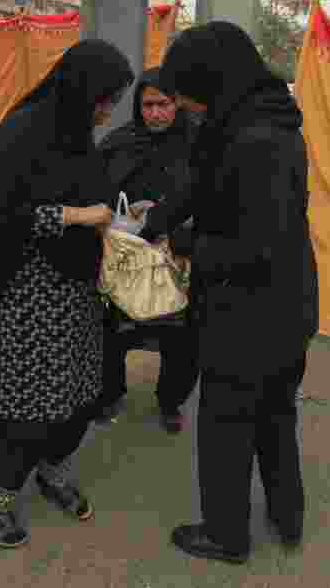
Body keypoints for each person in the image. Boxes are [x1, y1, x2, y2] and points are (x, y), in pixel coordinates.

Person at [137, 22, 319, 563]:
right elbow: (206, 187)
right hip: (288, 302)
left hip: (251, 311)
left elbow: (255, 243)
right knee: (276, 414)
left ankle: (224, 534)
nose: (188, 109)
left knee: (226, 423)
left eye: (190, 97)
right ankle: (288, 518)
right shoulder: (256, 118)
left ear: (212, 81)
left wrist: (186, 247)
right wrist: (156, 223)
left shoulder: (255, 139)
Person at [0, 40, 134, 548]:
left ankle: (53, 470)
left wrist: (118, 220)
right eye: (104, 98)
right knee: (21, 400)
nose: (107, 110)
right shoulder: (23, 131)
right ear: (80, 89)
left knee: (77, 392)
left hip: (78, 290)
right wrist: (74, 216)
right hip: (27, 292)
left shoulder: (77, 134)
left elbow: (94, 191)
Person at [95, 67, 200, 432]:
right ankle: (110, 393)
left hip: (179, 258)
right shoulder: (119, 142)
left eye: (164, 104)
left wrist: (173, 225)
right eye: (147, 105)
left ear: (178, 104)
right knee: (113, 330)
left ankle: (171, 401)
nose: (155, 113)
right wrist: (129, 211)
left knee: (181, 336)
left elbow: (210, 197)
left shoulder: (199, 144)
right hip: (126, 257)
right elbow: (98, 191)